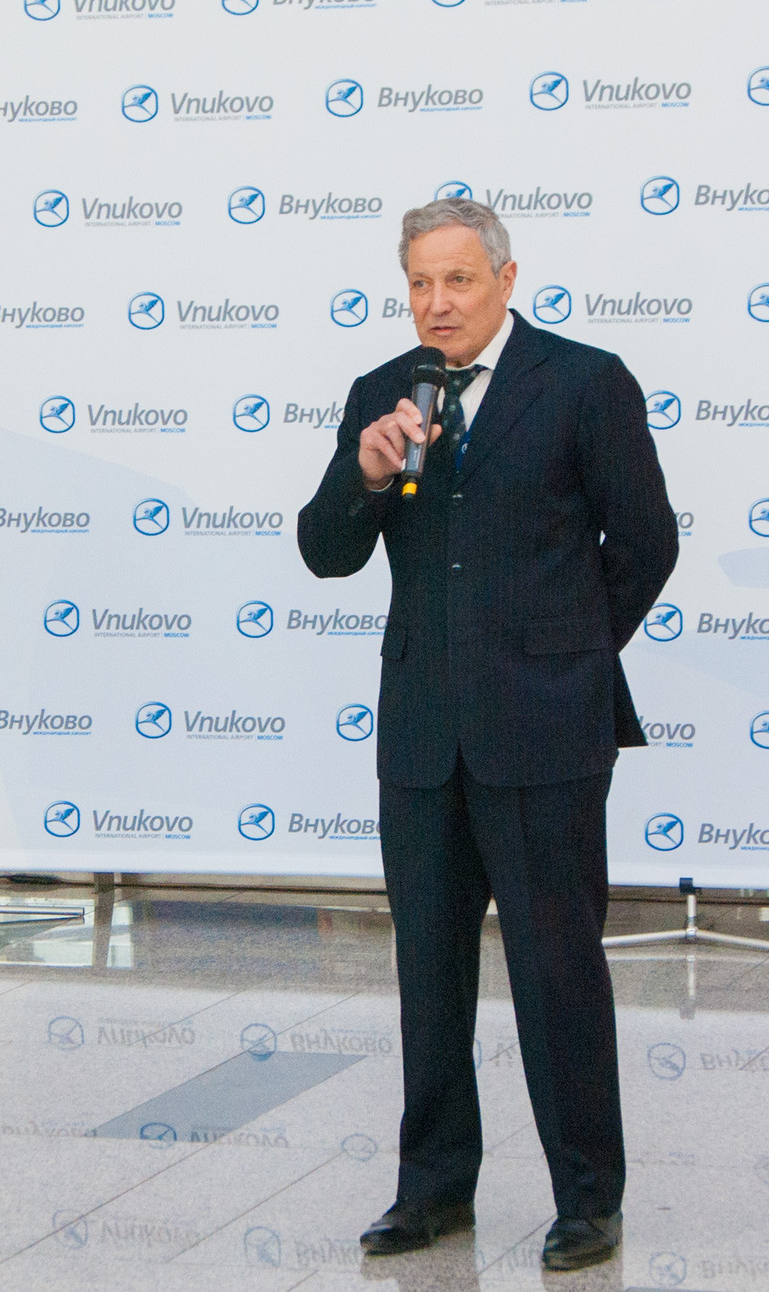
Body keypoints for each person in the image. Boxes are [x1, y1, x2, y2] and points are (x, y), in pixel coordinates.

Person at [297, 199, 677, 1272]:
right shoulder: (384, 393)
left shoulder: (585, 382)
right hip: (422, 735)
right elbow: (325, 550)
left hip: (545, 731)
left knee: (557, 972)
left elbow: (645, 542)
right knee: (427, 973)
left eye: (457, 280)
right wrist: (367, 475)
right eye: (419, 283)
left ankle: (587, 1199)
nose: (436, 303)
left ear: (506, 280)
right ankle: (432, 1191)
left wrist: (568, 656)